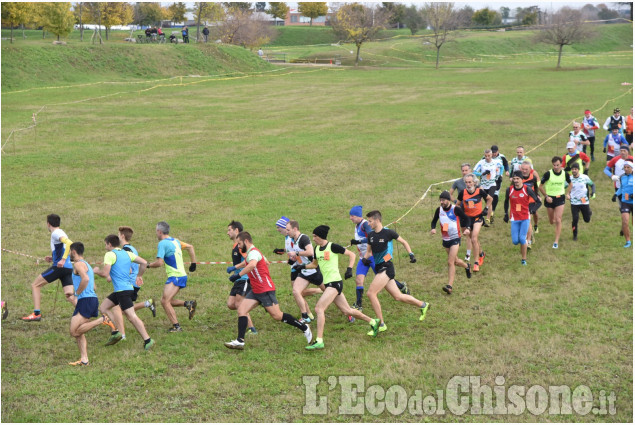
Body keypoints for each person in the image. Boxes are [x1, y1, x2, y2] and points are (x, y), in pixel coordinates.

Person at [225, 232, 312, 350]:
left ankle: (304, 328)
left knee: (277, 315)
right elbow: (263, 262)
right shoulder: (252, 253)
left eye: (239, 243)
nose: (238, 246)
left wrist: (238, 275)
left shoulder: (254, 253)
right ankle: (240, 340)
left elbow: (252, 265)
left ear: (246, 241)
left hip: (265, 289)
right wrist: (235, 267)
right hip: (256, 289)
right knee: (241, 310)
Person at [299, 225, 377, 350]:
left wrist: (349, 269)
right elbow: (314, 264)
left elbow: (352, 255)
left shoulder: (333, 247)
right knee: (347, 311)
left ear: (321, 236)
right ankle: (373, 321)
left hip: (335, 283)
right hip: (328, 284)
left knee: (319, 308)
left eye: (315, 236)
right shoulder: (316, 249)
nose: (313, 238)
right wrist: (302, 267)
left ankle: (319, 340)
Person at [363, 210, 429, 336]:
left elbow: (404, 242)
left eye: (370, 221)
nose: (369, 223)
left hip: (386, 267)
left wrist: (411, 254)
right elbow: (369, 252)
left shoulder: (388, 233)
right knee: (398, 296)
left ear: (377, 220)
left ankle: (381, 324)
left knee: (371, 293)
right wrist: (365, 259)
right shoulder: (370, 235)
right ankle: (423, 305)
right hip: (378, 267)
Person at [93, 235, 154, 350]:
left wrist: (96, 271)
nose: (105, 246)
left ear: (109, 244)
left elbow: (105, 273)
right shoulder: (127, 253)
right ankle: (116, 331)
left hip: (122, 291)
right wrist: (139, 275)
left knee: (132, 316)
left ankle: (148, 340)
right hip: (125, 289)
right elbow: (144, 262)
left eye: (105, 244)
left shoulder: (110, 255)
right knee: (104, 307)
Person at [348, 205, 409, 311]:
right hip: (364, 257)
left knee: (385, 280)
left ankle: (401, 285)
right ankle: (359, 304)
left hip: (373, 257)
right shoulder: (357, 225)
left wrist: (358, 242)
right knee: (359, 280)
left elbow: (371, 238)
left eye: (352, 216)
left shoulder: (365, 225)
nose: (350, 218)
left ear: (358, 216)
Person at [105, 227, 156, 340]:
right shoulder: (130, 248)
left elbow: (127, 268)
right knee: (122, 310)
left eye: (118, 234)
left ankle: (121, 334)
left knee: (119, 310)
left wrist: (137, 276)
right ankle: (146, 304)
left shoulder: (126, 250)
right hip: (131, 282)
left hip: (129, 283)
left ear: (122, 236)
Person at [22, 214, 75, 321]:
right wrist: (53, 258)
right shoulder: (61, 232)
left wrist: (62, 260)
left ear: (48, 224)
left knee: (35, 285)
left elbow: (69, 243)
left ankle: (36, 314)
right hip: (68, 268)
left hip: (60, 268)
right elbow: (65, 249)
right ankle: (85, 313)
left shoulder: (55, 233)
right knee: (69, 295)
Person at [148, 221, 197, 333]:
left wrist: (148, 265)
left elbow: (159, 263)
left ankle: (176, 327)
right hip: (181, 275)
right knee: (166, 300)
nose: (156, 233)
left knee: (165, 301)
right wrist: (193, 263)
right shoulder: (176, 241)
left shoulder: (162, 243)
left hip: (175, 276)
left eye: (156, 231)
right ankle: (188, 304)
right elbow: (190, 247)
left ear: (159, 231)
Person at [68, 242, 111, 366]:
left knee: (74, 331)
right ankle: (84, 359)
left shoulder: (78, 264)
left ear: (74, 252)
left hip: (86, 300)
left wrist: (76, 293)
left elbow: (85, 279)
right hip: (90, 299)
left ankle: (102, 320)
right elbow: (93, 286)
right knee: (79, 331)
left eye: (70, 252)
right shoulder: (87, 265)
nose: (70, 254)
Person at [430, 191, 471, 294]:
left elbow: (466, 218)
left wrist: (468, 228)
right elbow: (434, 221)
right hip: (445, 239)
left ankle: (449, 286)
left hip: (455, 238)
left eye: (443, 200)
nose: (441, 202)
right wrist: (433, 228)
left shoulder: (455, 209)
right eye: (440, 200)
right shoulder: (439, 210)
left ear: (448, 200)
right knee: (456, 261)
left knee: (450, 262)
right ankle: (467, 266)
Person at [286, 220, 324, 323]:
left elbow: (310, 252)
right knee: (296, 291)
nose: (287, 232)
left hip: (314, 271)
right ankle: (305, 316)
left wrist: (296, 253)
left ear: (295, 229)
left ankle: (347, 312)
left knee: (330, 292)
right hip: (304, 272)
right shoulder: (293, 240)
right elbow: (299, 255)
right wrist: (293, 259)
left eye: (288, 230)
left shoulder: (304, 238)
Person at [225, 221, 257, 334]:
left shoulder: (240, 246)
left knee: (239, 304)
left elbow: (248, 260)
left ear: (236, 230)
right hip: (238, 279)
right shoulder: (236, 246)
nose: (227, 232)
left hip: (244, 278)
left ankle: (251, 329)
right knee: (231, 304)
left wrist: (234, 268)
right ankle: (250, 305)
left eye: (229, 230)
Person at [503, 171, 541, 265]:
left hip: (525, 217)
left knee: (522, 238)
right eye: (514, 179)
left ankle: (523, 259)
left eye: (518, 179)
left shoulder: (527, 189)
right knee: (516, 241)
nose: (516, 181)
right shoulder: (509, 190)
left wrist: (532, 210)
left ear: (522, 179)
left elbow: (538, 202)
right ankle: (524, 243)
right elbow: (506, 202)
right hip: (514, 218)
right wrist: (505, 214)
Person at [457, 173, 492, 271]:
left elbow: (490, 199)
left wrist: (486, 208)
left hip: (478, 217)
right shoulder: (462, 193)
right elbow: (458, 204)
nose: (468, 184)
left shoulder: (479, 191)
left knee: (473, 238)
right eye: (466, 182)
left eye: (470, 182)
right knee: (473, 239)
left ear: (474, 182)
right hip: (467, 219)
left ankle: (476, 262)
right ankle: (481, 253)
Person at [539, 156, 571, 249]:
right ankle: (554, 222)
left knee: (558, 219)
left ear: (561, 164)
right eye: (554, 165)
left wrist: (568, 193)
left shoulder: (565, 174)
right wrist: (546, 196)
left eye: (557, 165)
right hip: (549, 199)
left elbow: (571, 184)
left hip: (560, 198)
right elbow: (540, 186)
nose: (556, 167)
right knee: (551, 221)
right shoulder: (548, 174)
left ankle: (556, 241)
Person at [566, 163, 595, 241]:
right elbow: (562, 187)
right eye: (572, 169)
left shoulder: (584, 177)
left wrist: (593, 192)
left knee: (587, 220)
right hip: (574, 202)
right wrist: (567, 194)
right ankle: (574, 235)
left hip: (584, 201)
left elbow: (592, 185)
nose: (574, 171)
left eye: (575, 169)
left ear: (578, 170)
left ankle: (589, 212)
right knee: (575, 219)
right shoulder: (569, 179)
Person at [473, 149, 500, 226]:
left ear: (491, 155)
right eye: (486, 156)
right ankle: (490, 215)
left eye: (489, 156)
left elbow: (501, 168)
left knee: (490, 198)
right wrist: (482, 173)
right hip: (483, 184)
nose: (487, 157)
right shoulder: (481, 162)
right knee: (488, 200)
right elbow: (474, 172)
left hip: (492, 183)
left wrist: (499, 176)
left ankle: (487, 217)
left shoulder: (496, 162)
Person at [520, 160, 541, 245]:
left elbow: (535, 188)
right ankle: (529, 236)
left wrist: (537, 195)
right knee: (524, 220)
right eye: (523, 169)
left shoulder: (533, 177)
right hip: (521, 202)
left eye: (526, 169)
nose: (524, 171)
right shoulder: (518, 177)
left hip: (531, 201)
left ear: (530, 169)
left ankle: (528, 240)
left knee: (529, 219)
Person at [615, 162, 634, 247]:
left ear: (632, 168)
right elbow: (621, 188)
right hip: (625, 202)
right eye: (624, 167)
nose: (626, 169)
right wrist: (615, 194)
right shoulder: (622, 177)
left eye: (628, 167)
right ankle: (628, 241)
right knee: (625, 222)